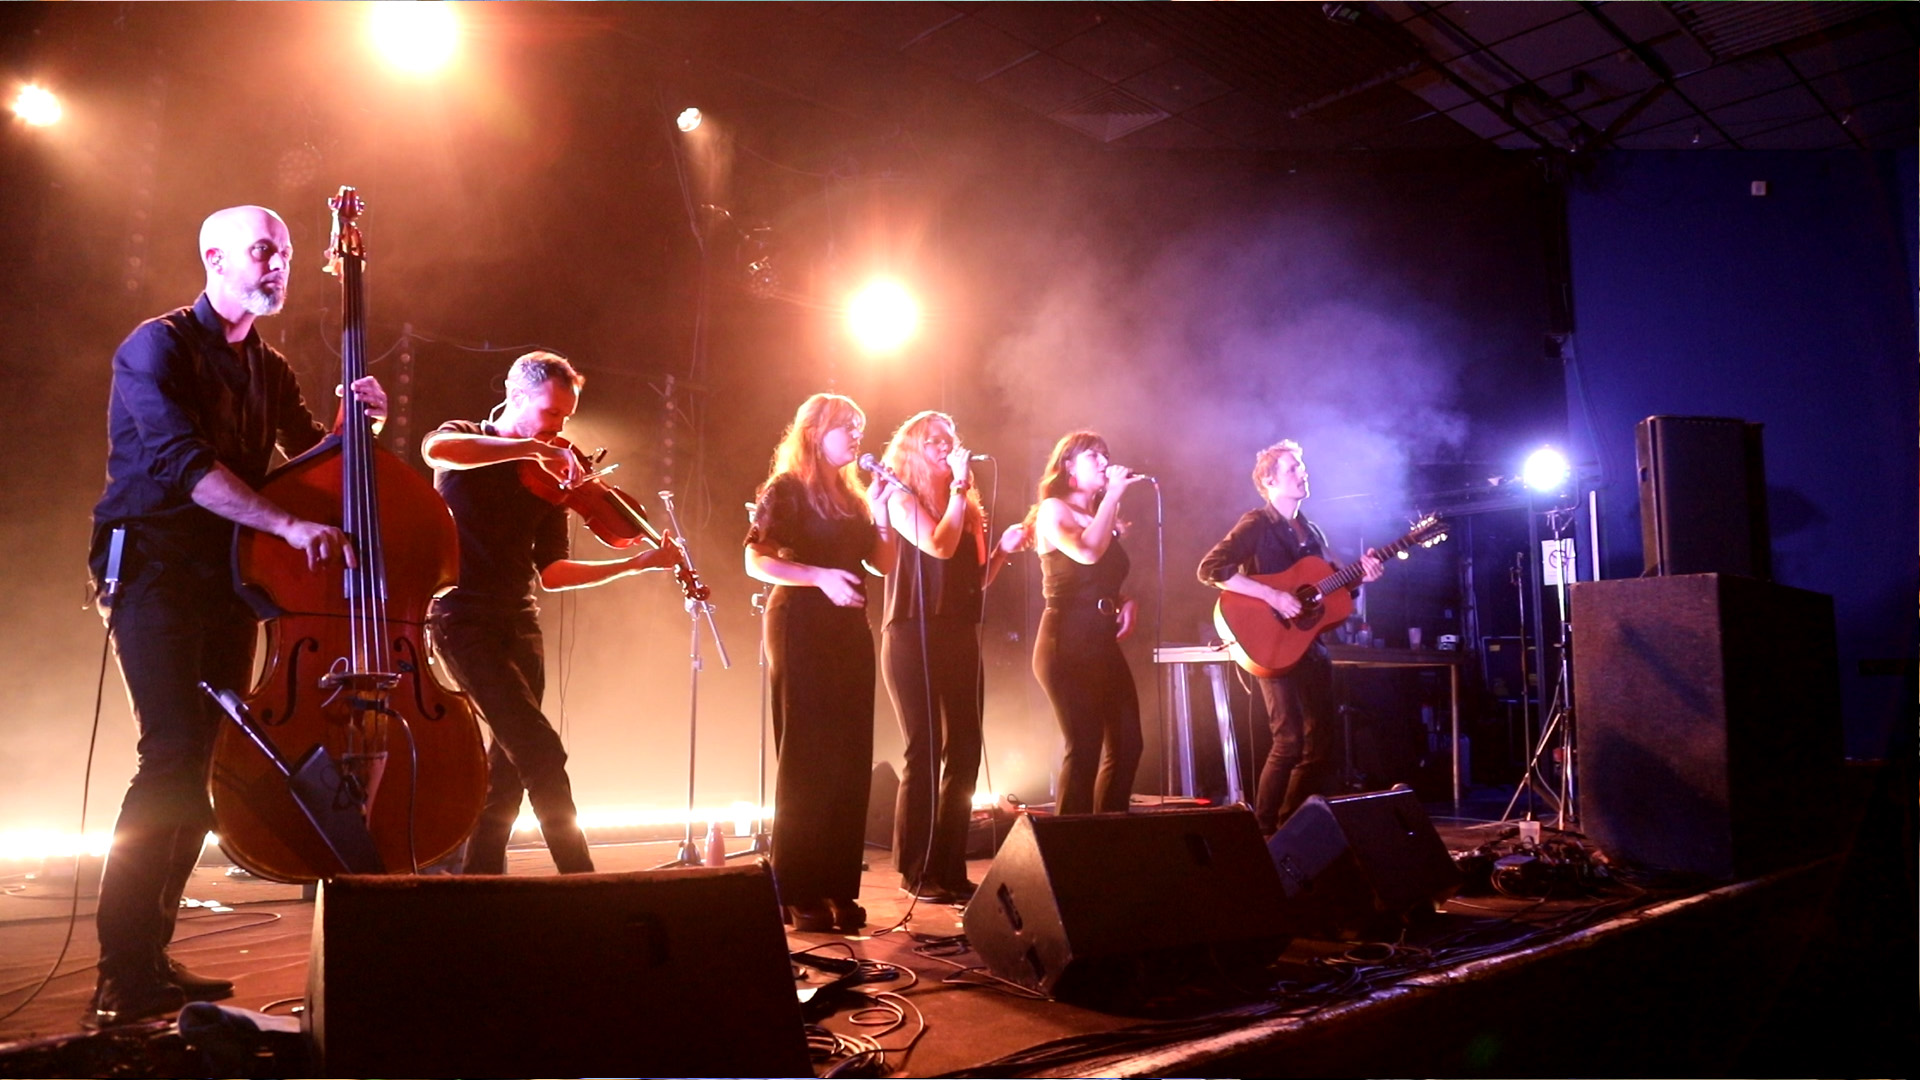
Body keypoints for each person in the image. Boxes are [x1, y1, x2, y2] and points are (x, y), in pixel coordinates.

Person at [86, 205, 387, 1028]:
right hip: (153, 572)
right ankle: (120, 970)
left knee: (205, 763)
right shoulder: (155, 347)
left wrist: (356, 426)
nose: (278, 264)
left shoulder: (269, 366)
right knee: (170, 754)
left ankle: (149, 955)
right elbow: (185, 466)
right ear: (214, 258)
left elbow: (312, 459)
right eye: (263, 251)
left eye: (285, 252)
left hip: (226, 578)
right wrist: (285, 526)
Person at [420, 352, 682, 876]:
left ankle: (479, 882)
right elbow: (436, 449)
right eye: (551, 413)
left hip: (519, 623)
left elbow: (553, 572)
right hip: (461, 618)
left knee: (509, 770)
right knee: (540, 750)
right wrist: (532, 447)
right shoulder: (468, 437)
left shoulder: (552, 477)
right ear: (516, 398)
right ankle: (580, 878)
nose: (560, 428)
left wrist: (633, 564)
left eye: (566, 417)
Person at [745, 393, 897, 932]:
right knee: (807, 756)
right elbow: (755, 558)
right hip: (800, 624)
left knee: (850, 754)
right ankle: (796, 888)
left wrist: (882, 513)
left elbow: (882, 564)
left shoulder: (853, 496)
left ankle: (837, 884)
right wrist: (819, 577)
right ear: (814, 433)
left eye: (859, 427)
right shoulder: (787, 489)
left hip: (847, 628)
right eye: (846, 427)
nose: (856, 436)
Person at [1197, 439, 1382, 834]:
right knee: (1288, 741)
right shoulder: (1256, 524)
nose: (1303, 473)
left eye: (1303, 466)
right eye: (1293, 468)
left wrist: (1360, 579)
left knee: (1321, 742)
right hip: (1272, 643)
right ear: (1269, 481)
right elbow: (1211, 569)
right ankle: (1263, 830)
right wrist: (1273, 596)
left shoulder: (1311, 532)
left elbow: (1331, 590)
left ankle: (1290, 827)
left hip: (1309, 646)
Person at [876, 412, 1023, 903]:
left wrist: (1001, 552)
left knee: (964, 747)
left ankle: (949, 865)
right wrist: (959, 488)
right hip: (911, 632)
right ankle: (915, 869)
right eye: (934, 440)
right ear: (913, 449)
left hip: (958, 633)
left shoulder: (969, 510)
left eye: (950, 439)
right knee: (924, 747)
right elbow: (938, 547)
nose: (946, 446)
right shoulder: (901, 498)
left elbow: (974, 581)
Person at [1026, 431, 1149, 815]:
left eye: (1105, 455)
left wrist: (1125, 600)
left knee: (1128, 743)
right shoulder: (1053, 510)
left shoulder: (1101, 517)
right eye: (1093, 456)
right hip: (1066, 639)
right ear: (1068, 467)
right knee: (1084, 745)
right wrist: (1112, 496)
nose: (1104, 462)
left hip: (1101, 640)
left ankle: (1107, 836)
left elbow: (1102, 575)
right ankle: (1068, 844)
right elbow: (1085, 553)